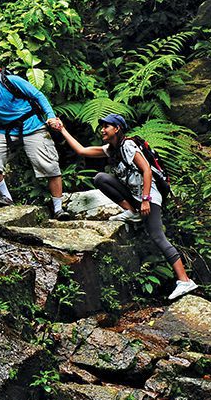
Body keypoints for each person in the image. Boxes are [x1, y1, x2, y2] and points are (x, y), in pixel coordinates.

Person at [58, 113, 198, 300]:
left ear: (117, 129)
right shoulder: (112, 149)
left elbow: (147, 170)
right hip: (135, 197)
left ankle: (185, 280)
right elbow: (82, 151)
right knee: (101, 178)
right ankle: (132, 212)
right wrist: (62, 130)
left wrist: (146, 199)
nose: (102, 130)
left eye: (106, 126)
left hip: (150, 196)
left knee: (157, 235)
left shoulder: (128, 145)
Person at [0, 55, 71, 220]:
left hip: (33, 126)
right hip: (8, 132)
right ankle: (7, 199)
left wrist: (50, 116)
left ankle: (58, 209)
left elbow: (38, 96)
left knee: (50, 166)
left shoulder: (10, 81)